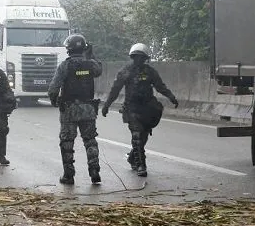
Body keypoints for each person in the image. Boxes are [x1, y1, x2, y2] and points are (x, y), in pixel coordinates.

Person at [101, 43, 178, 177]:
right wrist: (107, 105)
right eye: (137, 57)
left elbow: (160, 86)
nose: (139, 60)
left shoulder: (150, 72)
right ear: (133, 57)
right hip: (132, 108)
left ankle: (132, 157)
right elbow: (115, 90)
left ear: (145, 58)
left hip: (147, 108)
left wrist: (171, 97)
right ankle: (141, 166)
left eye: (142, 58)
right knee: (136, 136)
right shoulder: (125, 71)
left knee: (143, 137)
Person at [48, 34, 103, 185]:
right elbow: (99, 70)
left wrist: (54, 101)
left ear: (68, 49)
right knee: (90, 140)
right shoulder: (91, 65)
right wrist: (91, 54)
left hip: (69, 109)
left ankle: (68, 175)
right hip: (88, 109)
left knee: (67, 142)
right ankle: (94, 172)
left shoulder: (65, 66)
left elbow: (53, 88)